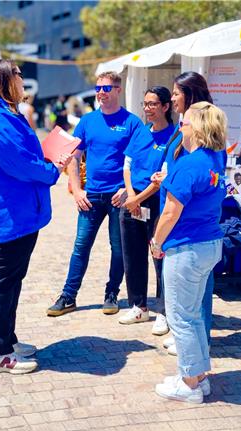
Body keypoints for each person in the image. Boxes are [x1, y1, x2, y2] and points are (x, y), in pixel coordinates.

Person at [0, 59, 72, 375]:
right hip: (9, 212)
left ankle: (7, 339)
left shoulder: (4, 113)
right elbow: (20, 164)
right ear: (4, 80)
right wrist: (53, 169)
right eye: (20, 75)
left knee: (12, 278)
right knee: (3, 279)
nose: (23, 81)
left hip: (20, 209)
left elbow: (24, 154)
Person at [46, 71, 154, 317]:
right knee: (80, 247)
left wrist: (127, 190)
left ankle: (112, 293)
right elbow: (72, 156)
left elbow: (142, 161)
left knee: (118, 249)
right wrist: (76, 190)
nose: (100, 93)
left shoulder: (132, 123)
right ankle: (68, 296)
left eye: (106, 88)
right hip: (91, 196)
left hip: (119, 198)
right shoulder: (87, 121)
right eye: (97, 88)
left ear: (118, 90)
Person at [151, 102, 227, 404]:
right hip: (208, 243)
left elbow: (171, 212)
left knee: (180, 317)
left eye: (184, 123)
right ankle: (198, 375)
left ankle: (189, 383)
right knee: (193, 315)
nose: (179, 126)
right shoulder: (214, 160)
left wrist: (156, 243)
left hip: (187, 246)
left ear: (195, 128)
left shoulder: (188, 164)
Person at [150, 71, 217, 345]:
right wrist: (168, 178)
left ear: (189, 95)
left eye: (176, 93)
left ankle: (194, 343)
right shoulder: (185, 126)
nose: (173, 97)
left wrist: (157, 240)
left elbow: (202, 173)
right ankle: (188, 338)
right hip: (180, 218)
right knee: (187, 294)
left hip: (189, 223)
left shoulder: (202, 129)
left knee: (196, 292)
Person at [117, 86, 175, 326]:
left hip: (155, 200)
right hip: (133, 199)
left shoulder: (174, 136)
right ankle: (139, 305)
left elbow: (163, 175)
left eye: (152, 104)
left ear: (165, 106)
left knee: (159, 255)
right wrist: (131, 196)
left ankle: (163, 311)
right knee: (133, 256)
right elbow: (127, 164)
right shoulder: (141, 132)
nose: (148, 109)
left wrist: (138, 200)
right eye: (145, 104)